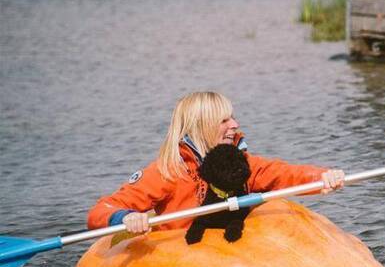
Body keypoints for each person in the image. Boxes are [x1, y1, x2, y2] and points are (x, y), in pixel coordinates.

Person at [87, 92, 345, 234]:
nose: (235, 125)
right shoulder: (167, 172)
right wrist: (127, 217)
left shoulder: (239, 164)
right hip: (181, 256)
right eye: (224, 121)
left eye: (232, 118)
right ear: (200, 128)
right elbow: (100, 210)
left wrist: (322, 177)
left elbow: (281, 174)